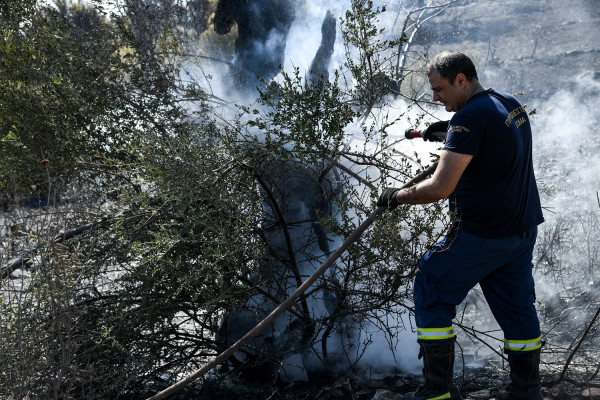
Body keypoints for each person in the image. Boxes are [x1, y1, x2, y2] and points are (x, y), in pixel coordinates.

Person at [377, 51, 545, 400]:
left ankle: (438, 393)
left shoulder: (468, 119)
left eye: (439, 90)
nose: (435, 97)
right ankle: (526, 392)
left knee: (430, 283)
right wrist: (446, 134)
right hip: (520, 231)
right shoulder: (507, 103)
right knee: (517, 310)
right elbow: (492, 142)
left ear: (461, 80)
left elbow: (440, 188)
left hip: (483, 234)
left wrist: (397, 196)